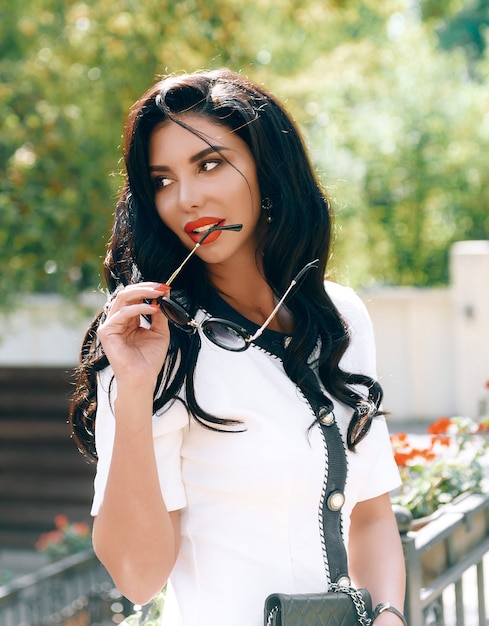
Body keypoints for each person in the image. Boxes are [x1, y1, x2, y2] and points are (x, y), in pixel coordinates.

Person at [70, 68, 406, 626]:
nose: (187, 198)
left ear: (266, 167)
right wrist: (131, 388)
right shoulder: (152, 343)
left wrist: (390, 614)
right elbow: (136, 576)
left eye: (208, 164)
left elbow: (370, 514)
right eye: (162, 180)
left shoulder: (339, 317)